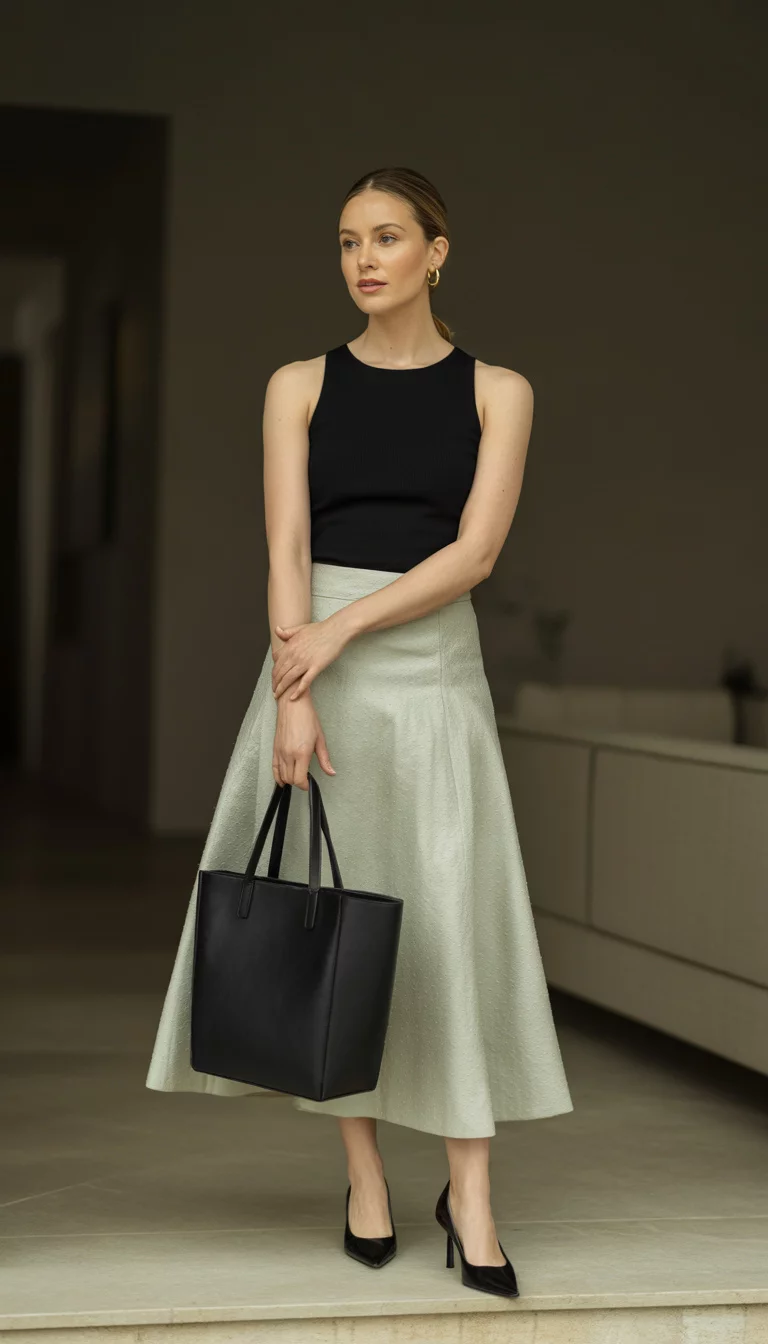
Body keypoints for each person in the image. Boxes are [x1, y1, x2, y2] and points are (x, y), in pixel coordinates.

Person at [145, 165, 573, 1300]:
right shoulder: (297, 385)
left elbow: (475, 553)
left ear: (438, 251)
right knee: (339, 925)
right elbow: (287, 546)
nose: (364, 259)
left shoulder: (500, 391)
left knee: (449, 926)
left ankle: (471, 1195)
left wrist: (338, 634)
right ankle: (366, 1176)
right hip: (312, 675)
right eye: (347, 241)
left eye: (386, 237)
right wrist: (296, 686)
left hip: (430, 675)